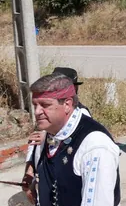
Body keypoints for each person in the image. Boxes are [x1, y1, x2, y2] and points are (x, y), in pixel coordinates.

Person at [23, 73, 120, 206]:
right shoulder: (51, 132)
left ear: (67, 104)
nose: (37, 112)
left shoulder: (95, 146)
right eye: (35, 105)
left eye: (45, 105)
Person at [23, 67, 91, 189]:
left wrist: (48, 139)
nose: (37, 111)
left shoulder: (81, 116)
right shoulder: (47, 114)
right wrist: (29, 170)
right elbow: (35, 144)